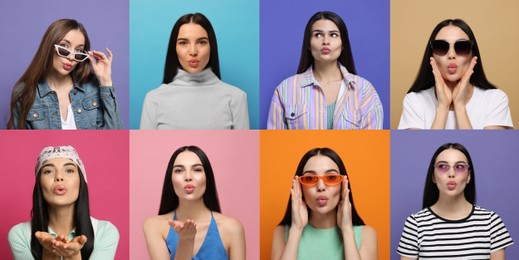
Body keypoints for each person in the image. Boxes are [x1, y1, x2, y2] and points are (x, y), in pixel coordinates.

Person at [266, 11, 383, 130]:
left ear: (343, 44)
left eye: (333, 35)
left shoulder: (364, 90)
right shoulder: (285, 89)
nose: (326, 41)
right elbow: (274, 143)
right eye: (318, 35)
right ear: (308, 44)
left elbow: (372, 145)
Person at [397, 143, 514, 259]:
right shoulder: (415, 224)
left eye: (459, 167)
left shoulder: (491, 222)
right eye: (442, 166)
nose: (451, 174)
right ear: (433, 176)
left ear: (468, 176)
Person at [7, 19, 123, 130]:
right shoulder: (24, 92)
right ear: (49, 46)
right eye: (64, 47)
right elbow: (22, 145)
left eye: (78, 51)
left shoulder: (92, 87)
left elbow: (114, 138)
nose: (71, 57)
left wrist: (105, 82)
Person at [140, 13, 250, 130]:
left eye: (201, 42)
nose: (193, 51)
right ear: (174, 48)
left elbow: (244, 148)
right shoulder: (154, 99)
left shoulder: (237, 98)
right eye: (184, 43)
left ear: (211, 46)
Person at [398, 19, 513, 129]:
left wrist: (460, 106)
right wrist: (442, 107)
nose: (451, 55)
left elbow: (484, 149)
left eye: (462, 47)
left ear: (473, 55)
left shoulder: (495, 100)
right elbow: (423, 149)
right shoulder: (414, 101)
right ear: (431, 56)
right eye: (441, 47)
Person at [8, 145, 119, 259]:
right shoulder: (20, 234)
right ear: (39, 184)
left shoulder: (106, 232)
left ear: (81, 181)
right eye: (48, 171)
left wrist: (73, 256)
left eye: (69, 170)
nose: (59, 177)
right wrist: (49, 254)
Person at [271, 147, 377, 260]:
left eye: (331, 177)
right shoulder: (281, 233)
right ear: (299, 187)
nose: (321, 187)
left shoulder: (367, 235)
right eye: (310, 178)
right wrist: (296, 229)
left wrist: (347, 230)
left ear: (343, 185)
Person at [143, 146, 246, 259]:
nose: (188, 177)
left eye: (197, 170)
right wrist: (186, 241)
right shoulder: (154, 225)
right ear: (170, 179)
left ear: (207, 177)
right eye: (179, 170)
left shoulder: (232, 228)